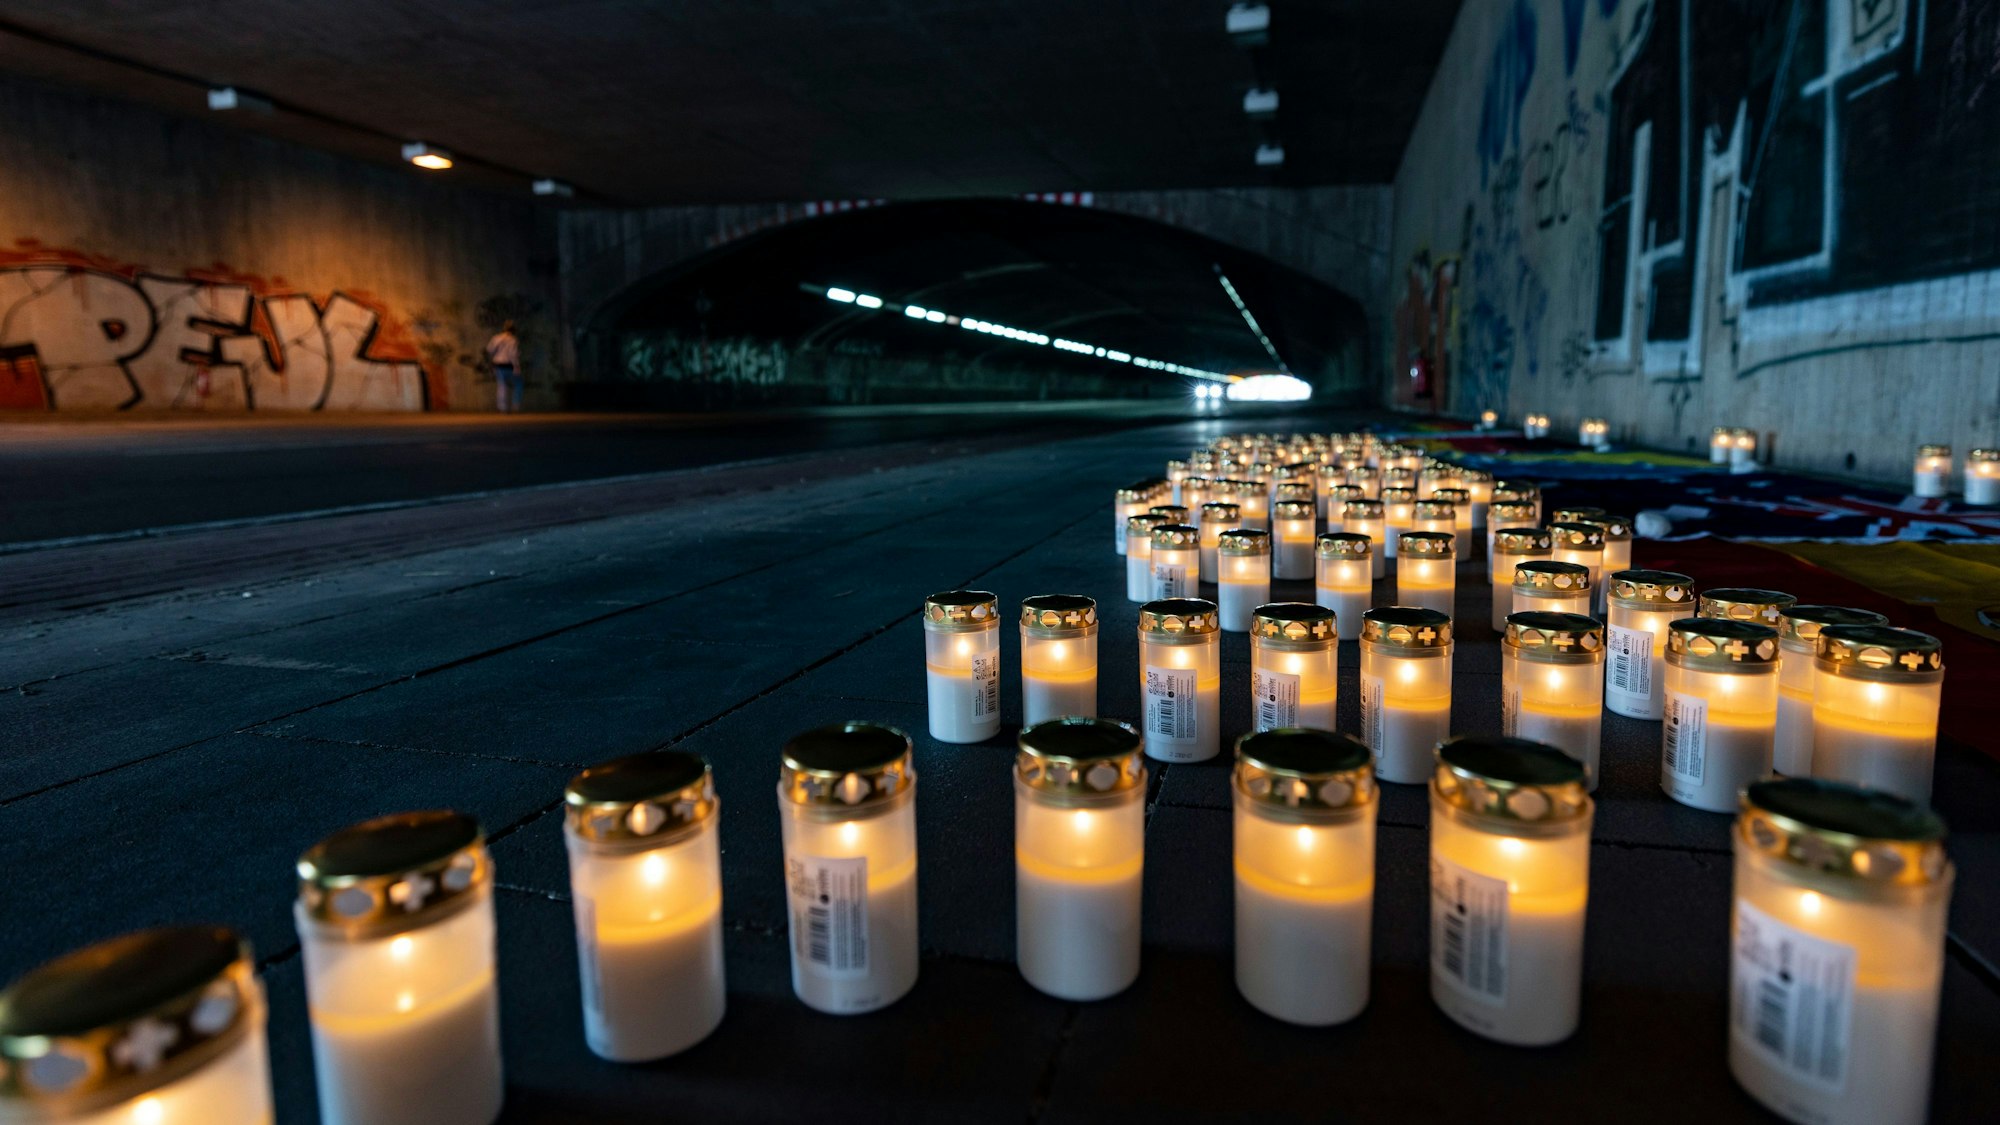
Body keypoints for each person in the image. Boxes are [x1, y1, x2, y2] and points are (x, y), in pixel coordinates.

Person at [485, 321, 523, 412]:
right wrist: (517, 367)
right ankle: (515, 404)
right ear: (513, 330)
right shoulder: (513, 339)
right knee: (518, 384)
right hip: (509, 364)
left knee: (501, 385)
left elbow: (489, 350)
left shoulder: (496, 338)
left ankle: (502, 407)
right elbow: (513, 354)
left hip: (498, 364)